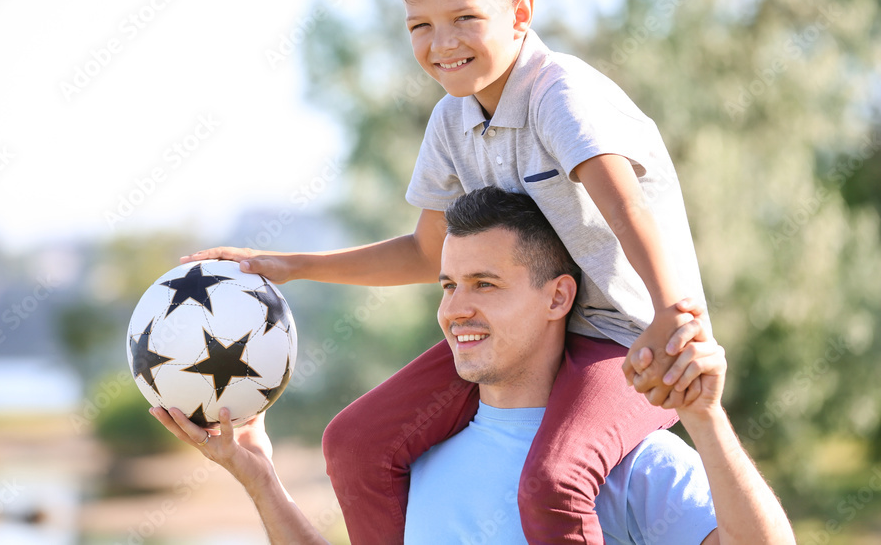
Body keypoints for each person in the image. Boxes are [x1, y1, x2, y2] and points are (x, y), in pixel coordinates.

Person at [183, 0, 711, 543]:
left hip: (624, 336)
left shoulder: (559, 95)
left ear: (519, 14)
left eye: (466, 18)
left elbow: (628, 208)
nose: (443, 43)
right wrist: (294, 266)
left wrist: (672, 316)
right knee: (355, 444)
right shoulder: (451, 122)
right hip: (530, 326)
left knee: (555, 481)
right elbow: (423, 251)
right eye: (421, 25)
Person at [155, 187, 795, 544]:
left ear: (557, 297)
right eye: (447, 285)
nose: (456, 309)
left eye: (485, 284)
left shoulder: (636, 465)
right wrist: (260, 478)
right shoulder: (415, 458)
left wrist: (706, 421)